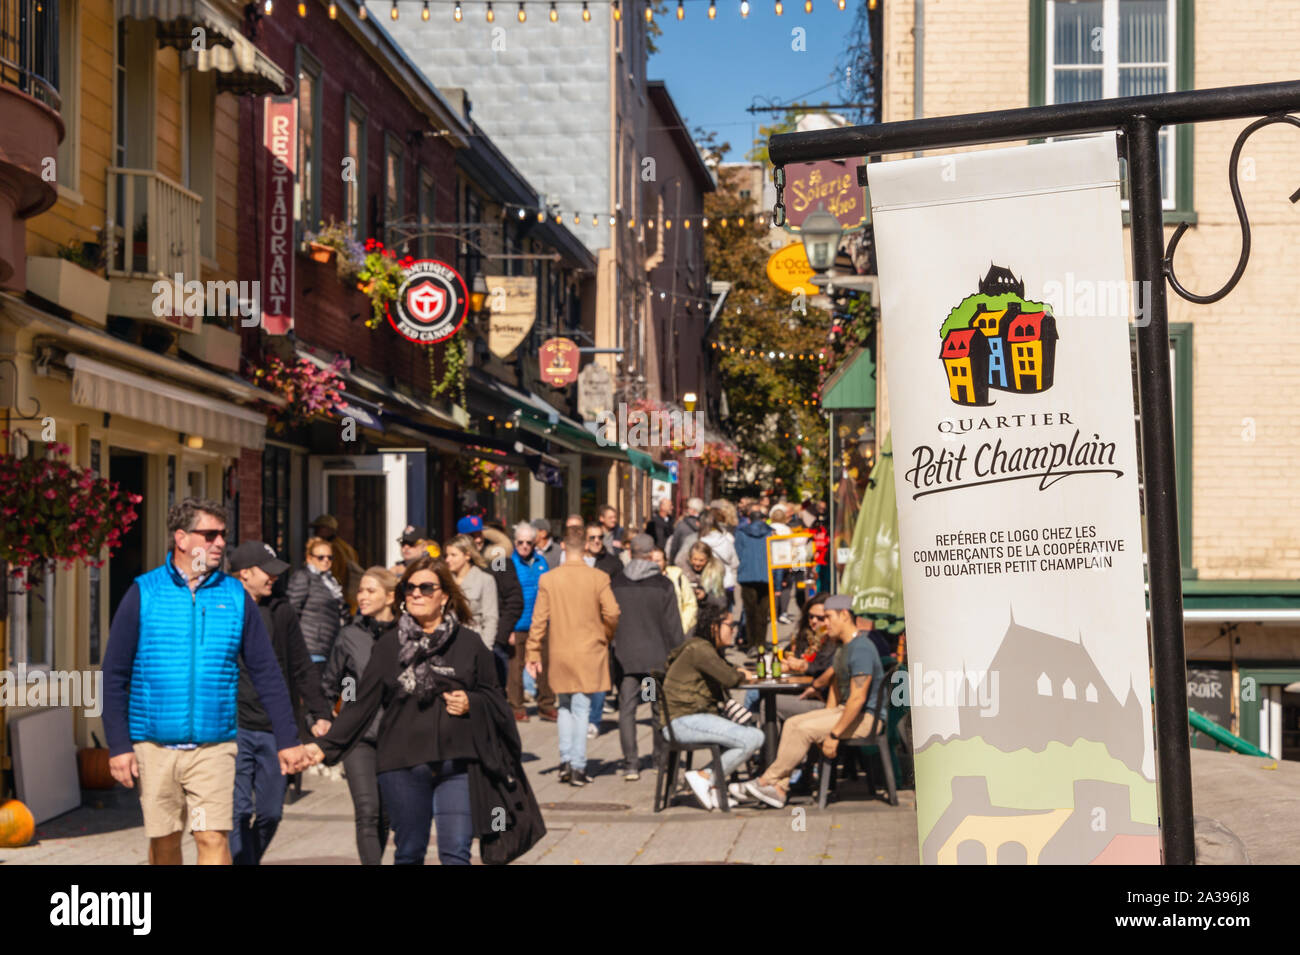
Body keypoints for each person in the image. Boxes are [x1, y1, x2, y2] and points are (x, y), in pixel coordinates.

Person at [102, 498, 311, 866]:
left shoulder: (234, 597)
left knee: (212, 835)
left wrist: (288, 739)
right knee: (165, 842)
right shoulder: (143, 593)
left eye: (223, 535)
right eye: (209, 534)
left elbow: (266, 671)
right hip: (154, 744)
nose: (219, 543)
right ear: (181, 539)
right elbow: (114, 673)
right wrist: (118, 745)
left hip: (214, 747)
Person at [305, 557, 503, 865]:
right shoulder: (388, 647)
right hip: (402, 765)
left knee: (456, 854)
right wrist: (323, 748)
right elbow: (360, 704)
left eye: (426, 587)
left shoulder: (470, 644)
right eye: (410, 588)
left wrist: (471, 702)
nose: (416, 594)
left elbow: (495, 699)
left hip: (458, 765)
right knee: (409, 852)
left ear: (445, 596)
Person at [228, 541, 334, 866]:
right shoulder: (222, 608)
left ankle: (248, 860)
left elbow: (301, 664)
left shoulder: (281, 609)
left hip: (276, 729)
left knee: (271, 812)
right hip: (233, 727)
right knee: (237, 810)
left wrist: (320, 712)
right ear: (244, 574)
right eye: (267, 572)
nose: (274, 578)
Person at [744, 594, 885, 809]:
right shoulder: (845, 647)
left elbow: (858, 698)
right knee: (793, 723)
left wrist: (834, 734)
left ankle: (766, 780)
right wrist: (825, 717)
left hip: (866, 718)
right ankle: (779, 789)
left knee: (803, 730)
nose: (824, 623)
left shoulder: (862, 648)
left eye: (828, 617)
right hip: (845, 711)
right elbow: (835, 686)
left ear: (844, 615)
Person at [527, 525, 621, 786]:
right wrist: (605, 634)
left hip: (560, 650)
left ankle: (566, 761)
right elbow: (613, 612)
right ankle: (577, 765)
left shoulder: (550, 579)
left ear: (564, 547)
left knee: (565, 707)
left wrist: (533, 650)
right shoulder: (598, 578)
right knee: (581, 708)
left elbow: (539, 619)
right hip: (590, 649)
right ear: (586, 547)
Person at [320, 566, 399, 865]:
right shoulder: (350, 635)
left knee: (386, 816)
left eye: (370, 591)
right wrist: (323, 719)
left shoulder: (407, 636)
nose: (361, 596)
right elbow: (329, 685)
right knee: (367, 811)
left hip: (397, 738)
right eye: (360, 590)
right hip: (359, 738)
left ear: (390, 597)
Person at [661, 601, 765, 810]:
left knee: (746, 733)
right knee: (753, 737)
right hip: (683, 720)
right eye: (730, 625)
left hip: (689, 717)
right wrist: (740, 674)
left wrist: (737, 670)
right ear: (713, 626)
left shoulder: (702, 647)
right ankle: (704, 776)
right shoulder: (701, 649)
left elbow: (724, 668)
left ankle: (715, 787)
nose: (733, 630)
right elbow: (728, 678)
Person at [610, 533, 685, 781]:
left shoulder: (617, 583)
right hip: (654, 660)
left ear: (630, 552)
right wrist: (678, 654)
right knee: (656, 707)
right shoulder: (662, 585)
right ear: (652, 553)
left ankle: (631, 763)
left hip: (627, 658)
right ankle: (657, 758)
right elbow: (673, 626)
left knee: (627, 709)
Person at [508, 521, 555, 721]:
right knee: (515, 668)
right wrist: (507, 626)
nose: (525, 546)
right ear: (514, 542)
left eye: (529, 542)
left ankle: (546, 705)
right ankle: (516, 707)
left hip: (540, 623)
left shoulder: (542, 561)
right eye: (520, 542)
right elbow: (500, 592)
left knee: (546, 665)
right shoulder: (505, 562)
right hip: (517, 623)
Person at [287, 537, 346, 666]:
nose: (326, 560)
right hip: (310, 647)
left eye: (329, 557)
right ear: (309, 558)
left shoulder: (330, 582)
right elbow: (292, 611)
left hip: (329, 647)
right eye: (321, 557)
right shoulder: (303, 577)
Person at [444, 534, 499, 653]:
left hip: (472, 643)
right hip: (446, 644)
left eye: (453, 555)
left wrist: (485, 649)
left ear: (467, 555)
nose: (448, 559)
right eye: (447, 555)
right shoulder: (445, 581)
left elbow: (490, 618)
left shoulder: (485, 579)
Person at [735, 506, 775, 650]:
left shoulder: (741, 532)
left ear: (750, 519)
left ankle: (751, 643)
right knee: (763, 613)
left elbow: (739, 551)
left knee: (750, 611)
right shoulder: (770, 532)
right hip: (766, 574)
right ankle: (761, 643)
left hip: (747, 574)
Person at [310, 514, 362, 609]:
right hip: (349, 599)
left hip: (336, 599)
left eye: (318, 528)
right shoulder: (345, 547)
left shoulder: (331, 549)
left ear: (329, 529)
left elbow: (332, 574)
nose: (315, 532)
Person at [651, 546, 698, 639]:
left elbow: (690, 604)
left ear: (665, 561)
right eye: (651, 561)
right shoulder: (643, 580)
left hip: (677, 631)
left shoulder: (678, 577)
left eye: (658, 561)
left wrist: (682, 627)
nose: (654, 564)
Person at [679, 541, 727, 613]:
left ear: (708, 559)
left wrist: (705, 597)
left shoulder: (715, 574)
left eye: (701, 560)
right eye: (695, 559)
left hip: (707, 614)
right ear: (690, 558)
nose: (697, 563)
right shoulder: (682, 572)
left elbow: (722, 602)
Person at [666, 496, 704, 565]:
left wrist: (671, 562)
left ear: (693, 510)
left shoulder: (681, 524)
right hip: (700, 560)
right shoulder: (704, 524)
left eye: (688, 508)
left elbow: (675, 545)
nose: (687, 510)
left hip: (683, 560)